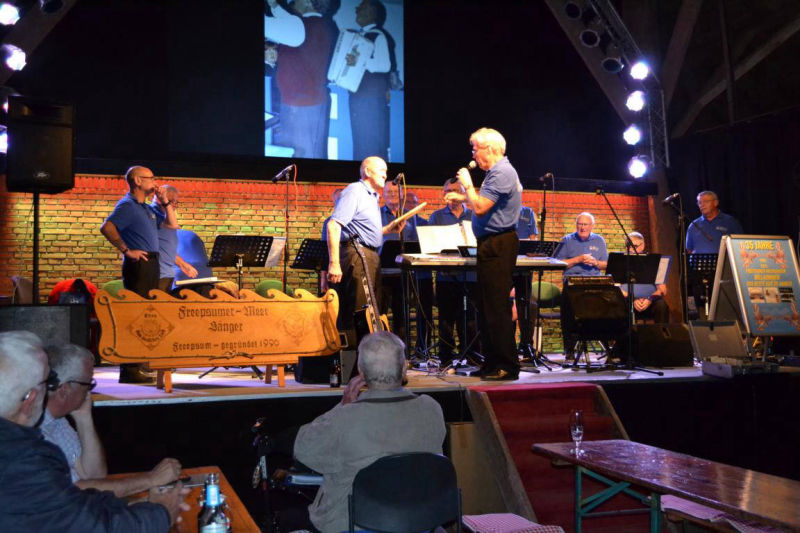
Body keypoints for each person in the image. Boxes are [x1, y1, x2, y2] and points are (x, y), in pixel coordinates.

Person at [0, 331, 188, 532]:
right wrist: (161, 512)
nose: (51, 388)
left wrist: (84, 418)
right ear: (30, 398)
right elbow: (86, 522)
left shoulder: (46, 427)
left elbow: (89, 482)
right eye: (48, 381)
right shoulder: (24, 457)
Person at [293, 331, 446, 533]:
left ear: (360, 372)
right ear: (404, 368)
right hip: (419, 524)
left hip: (354, 525)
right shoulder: (431, 410)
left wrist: (342, 406)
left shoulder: (345, 419)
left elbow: (303, 450)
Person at [40, 343, 183, 496]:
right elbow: (74, 491)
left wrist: (84, 418)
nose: (89, 392)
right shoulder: (36, 427)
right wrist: (151, 480)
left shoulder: (58, 421)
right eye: (88, 384)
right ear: (65, 389)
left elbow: (94, 476)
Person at [450, 128, 522, 380]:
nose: (473, 154)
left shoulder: (502, 172)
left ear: (490, 149)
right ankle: (491, 363)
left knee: (496, 307)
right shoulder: (496, 173)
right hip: (491, 243)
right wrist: (464, 196)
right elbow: (487, 203)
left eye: (475, 148)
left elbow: (480, 207)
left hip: (498, 244)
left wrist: (468, 185)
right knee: (486, 306)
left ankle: (507, 366)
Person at [100, 165, 176, 384]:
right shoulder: (127, 205)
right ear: (137, 181)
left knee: (147, 316)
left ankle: (141, 364)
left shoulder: (146, 208)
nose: (155, 182)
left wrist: (165, 202)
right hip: (139, 264)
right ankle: (130, 370)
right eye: (150, 178)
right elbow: (107, 227)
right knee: (136, 316)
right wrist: (126, 250)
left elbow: (172, 225)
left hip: (152, 262)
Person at [326, 157, 404, 337]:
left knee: (371, 311)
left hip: (369, 256)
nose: (385, 175)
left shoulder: (372, 197)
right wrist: (334, 263)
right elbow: (333, 225)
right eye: (381, 170)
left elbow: (362, 231)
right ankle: (357, 353)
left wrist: (387, 230)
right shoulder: (355, 191)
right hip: (357, 254)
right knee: (360, 310)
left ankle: (367, 352)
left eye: (386, 171)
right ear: (367, 171)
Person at [264, 0, 336, 159]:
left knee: (303, 157)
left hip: (303, 105)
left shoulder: (308, 24)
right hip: (299, 102)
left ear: (309, 2)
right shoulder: (311, 24)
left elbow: (275, 25)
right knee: (300, 157)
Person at [428, 179, 478, 366]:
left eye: (455, 190)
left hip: (471, 276)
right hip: (446, 277)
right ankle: (446, 359)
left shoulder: (474, 215)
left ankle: (473, 356)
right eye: (447, 190)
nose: (451, 193)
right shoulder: (436, 217)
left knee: (471, 319)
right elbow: (431, 247)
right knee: (446, 320)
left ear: (463, 193)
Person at [554, 212, 609, 358]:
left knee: (608, 309)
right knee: (567, 311)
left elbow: (606, 264)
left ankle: (608, 349)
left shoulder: (599, 240)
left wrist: (595, 262)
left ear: (592, 226)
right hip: (573, 282)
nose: (582, 227)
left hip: (594, 282)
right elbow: (558, 264)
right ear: (576, 225)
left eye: (585, 224)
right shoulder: (567, 240)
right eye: (580, 224)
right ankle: (569, 350)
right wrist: (577, 259)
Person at [348, 0, 397, 160]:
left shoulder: (378, 36)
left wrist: (359, 61)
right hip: (359, 98)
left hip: (371, 101)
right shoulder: (360, 35)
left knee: (371, 145)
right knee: (361, 143)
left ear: (371, 13)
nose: (356, 9)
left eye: (361, 7)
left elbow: (384, 65)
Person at [379, 180, 422, 339]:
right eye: (389, 192)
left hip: (403, 275)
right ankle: (381, 346)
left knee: (402, 316)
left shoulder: (411, 216)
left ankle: (402, 349)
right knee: (380, 313)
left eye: (395, 192)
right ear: (383, 195)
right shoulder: (376, 214)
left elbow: (416, 242)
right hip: (382, 273)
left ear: (402, 194)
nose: (392, 195)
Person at [151, 185, 198, 293]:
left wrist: (182, 264)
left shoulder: (165, 215)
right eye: (172, 201)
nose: (174, 206)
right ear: (160, 198)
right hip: (156, 274)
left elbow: (165, 248)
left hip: (166, 273)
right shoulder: (152, 213)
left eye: (176, 202)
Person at [619, 232, 670, 323]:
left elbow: (663, 290)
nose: (630, 250)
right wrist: (633, 299)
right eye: (627, 246)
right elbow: (616, 287)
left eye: (634, 246)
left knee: (661, 305)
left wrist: (649, 299)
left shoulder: (655, 262)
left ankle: (661, 331)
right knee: (616, 306)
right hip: (627, 302)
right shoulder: (619, 262)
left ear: (642, 246)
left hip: (650, 302)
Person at [513, 204, 539, 359]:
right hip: (505, 265)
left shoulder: (528, 212)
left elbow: (533, 239)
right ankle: (507, 345)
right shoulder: (500, 210)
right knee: (506, 304)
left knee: (527, 305)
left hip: (523, 267)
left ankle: (526, 344)